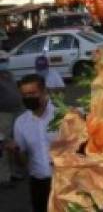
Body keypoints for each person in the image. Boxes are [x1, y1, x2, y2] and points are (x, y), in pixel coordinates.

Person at [7, 74, 55, 212]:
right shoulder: (21, 122)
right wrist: (15, 151)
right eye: (25, 95)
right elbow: (22, 162)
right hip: (38, 183)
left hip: (65, 180)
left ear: (44, 92)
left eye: (32, 93)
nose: (28, 98)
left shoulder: (63, 115)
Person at [0, 69, 23, 188]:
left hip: (17, 112)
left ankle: (15, 171)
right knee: (3, 145)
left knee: (15, 144)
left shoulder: (7, 74)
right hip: (3, 115)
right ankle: (4, 176)